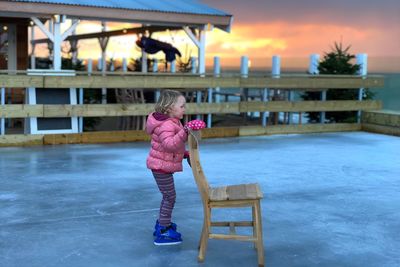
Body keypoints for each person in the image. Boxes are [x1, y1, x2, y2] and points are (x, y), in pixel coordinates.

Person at [145, 89, 205, 246]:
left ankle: (162, 224)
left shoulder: (172, 122)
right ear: (170, 107)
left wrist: (184, 153)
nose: (185, 109)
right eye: (182, 106)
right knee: (169, 197)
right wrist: (185, 131)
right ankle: (163, 230)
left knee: (168, 196)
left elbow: (172, 146)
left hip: (161, 164)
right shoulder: (165, 124)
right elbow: (170, 144)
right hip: (160, 167)